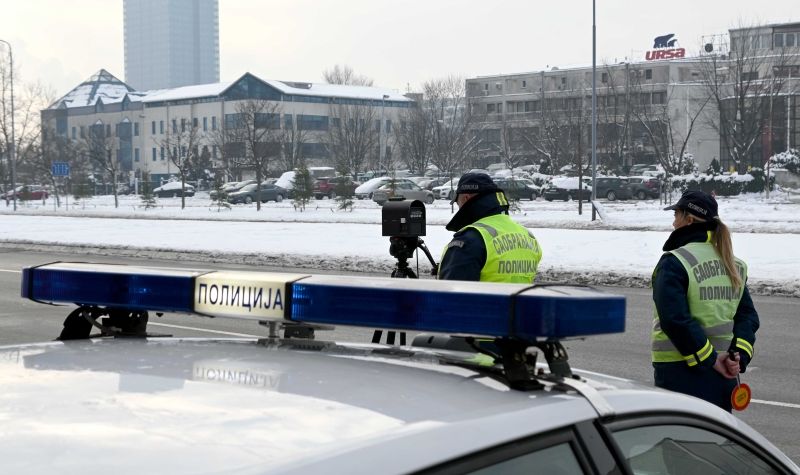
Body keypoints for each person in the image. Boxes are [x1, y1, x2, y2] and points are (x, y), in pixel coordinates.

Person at [651, 190, 759, 412]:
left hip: (680, 372)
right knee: (715, 443)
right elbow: (747, 316)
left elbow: (674, 319)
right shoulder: (733, 263)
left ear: (689, 219)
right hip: (725, 375)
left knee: (678, 444)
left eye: (676, 216)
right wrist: (738, 356)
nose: (673, 224)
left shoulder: (675, 261)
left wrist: (710, 359)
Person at [438, 173, 542, 283]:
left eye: (457, 202)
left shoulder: (469, 241)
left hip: (484, 301)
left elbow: (451, 295)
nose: (458, 207)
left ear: (465, 198)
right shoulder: (528, 236)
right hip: (517, 300)